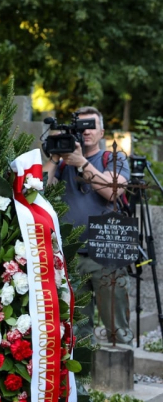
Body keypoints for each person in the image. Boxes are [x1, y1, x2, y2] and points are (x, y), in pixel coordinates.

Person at [42, 106, 131, 344]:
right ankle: (83, 379)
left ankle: (119, 377)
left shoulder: (113, 158)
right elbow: (40, 192)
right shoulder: (63, 165)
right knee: (78, 328)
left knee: (116, 325)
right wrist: (54, 157)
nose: (86, 132)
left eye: (91, 126)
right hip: (71, 253)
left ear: (102, 131)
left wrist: (82, 162)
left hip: (106, 251)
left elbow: (113, 192)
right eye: (81, 127)